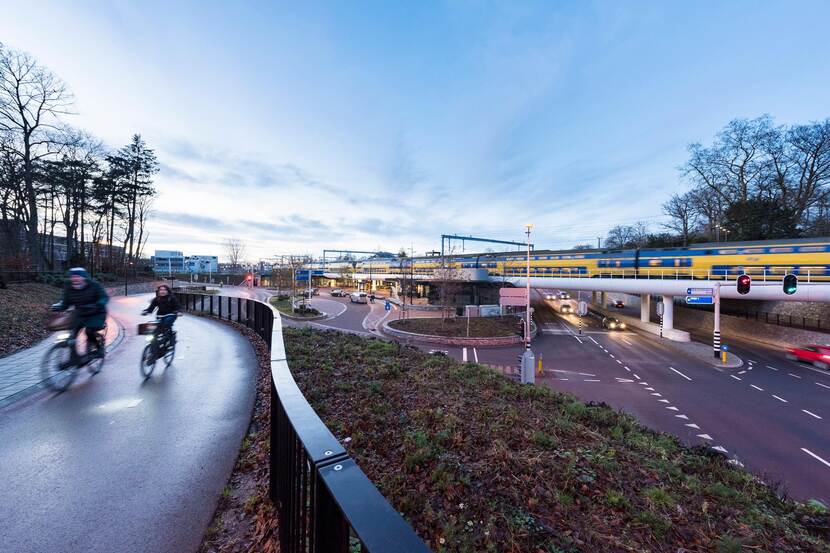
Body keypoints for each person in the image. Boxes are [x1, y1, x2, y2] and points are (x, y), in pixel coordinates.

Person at [54, 267, 109, 364]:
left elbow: (104, 297)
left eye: (77, 276)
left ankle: (99, 350)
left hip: (96, 312)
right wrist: (60, 307)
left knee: (89, 330)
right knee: (72, 335)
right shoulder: (69, 287)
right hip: (80, 313)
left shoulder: (94, 285)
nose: (74, 279)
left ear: (84, 278)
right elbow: (66, 302)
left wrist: (99, 303)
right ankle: (74, 359)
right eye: (72, 277)